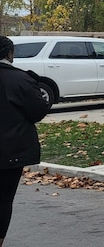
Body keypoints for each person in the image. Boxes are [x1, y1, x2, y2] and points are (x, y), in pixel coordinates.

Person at [0, 36, 49, 247]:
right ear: (9, 54)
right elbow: (38, 111)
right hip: (11, 152)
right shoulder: (21, 80)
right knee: (3, 200)